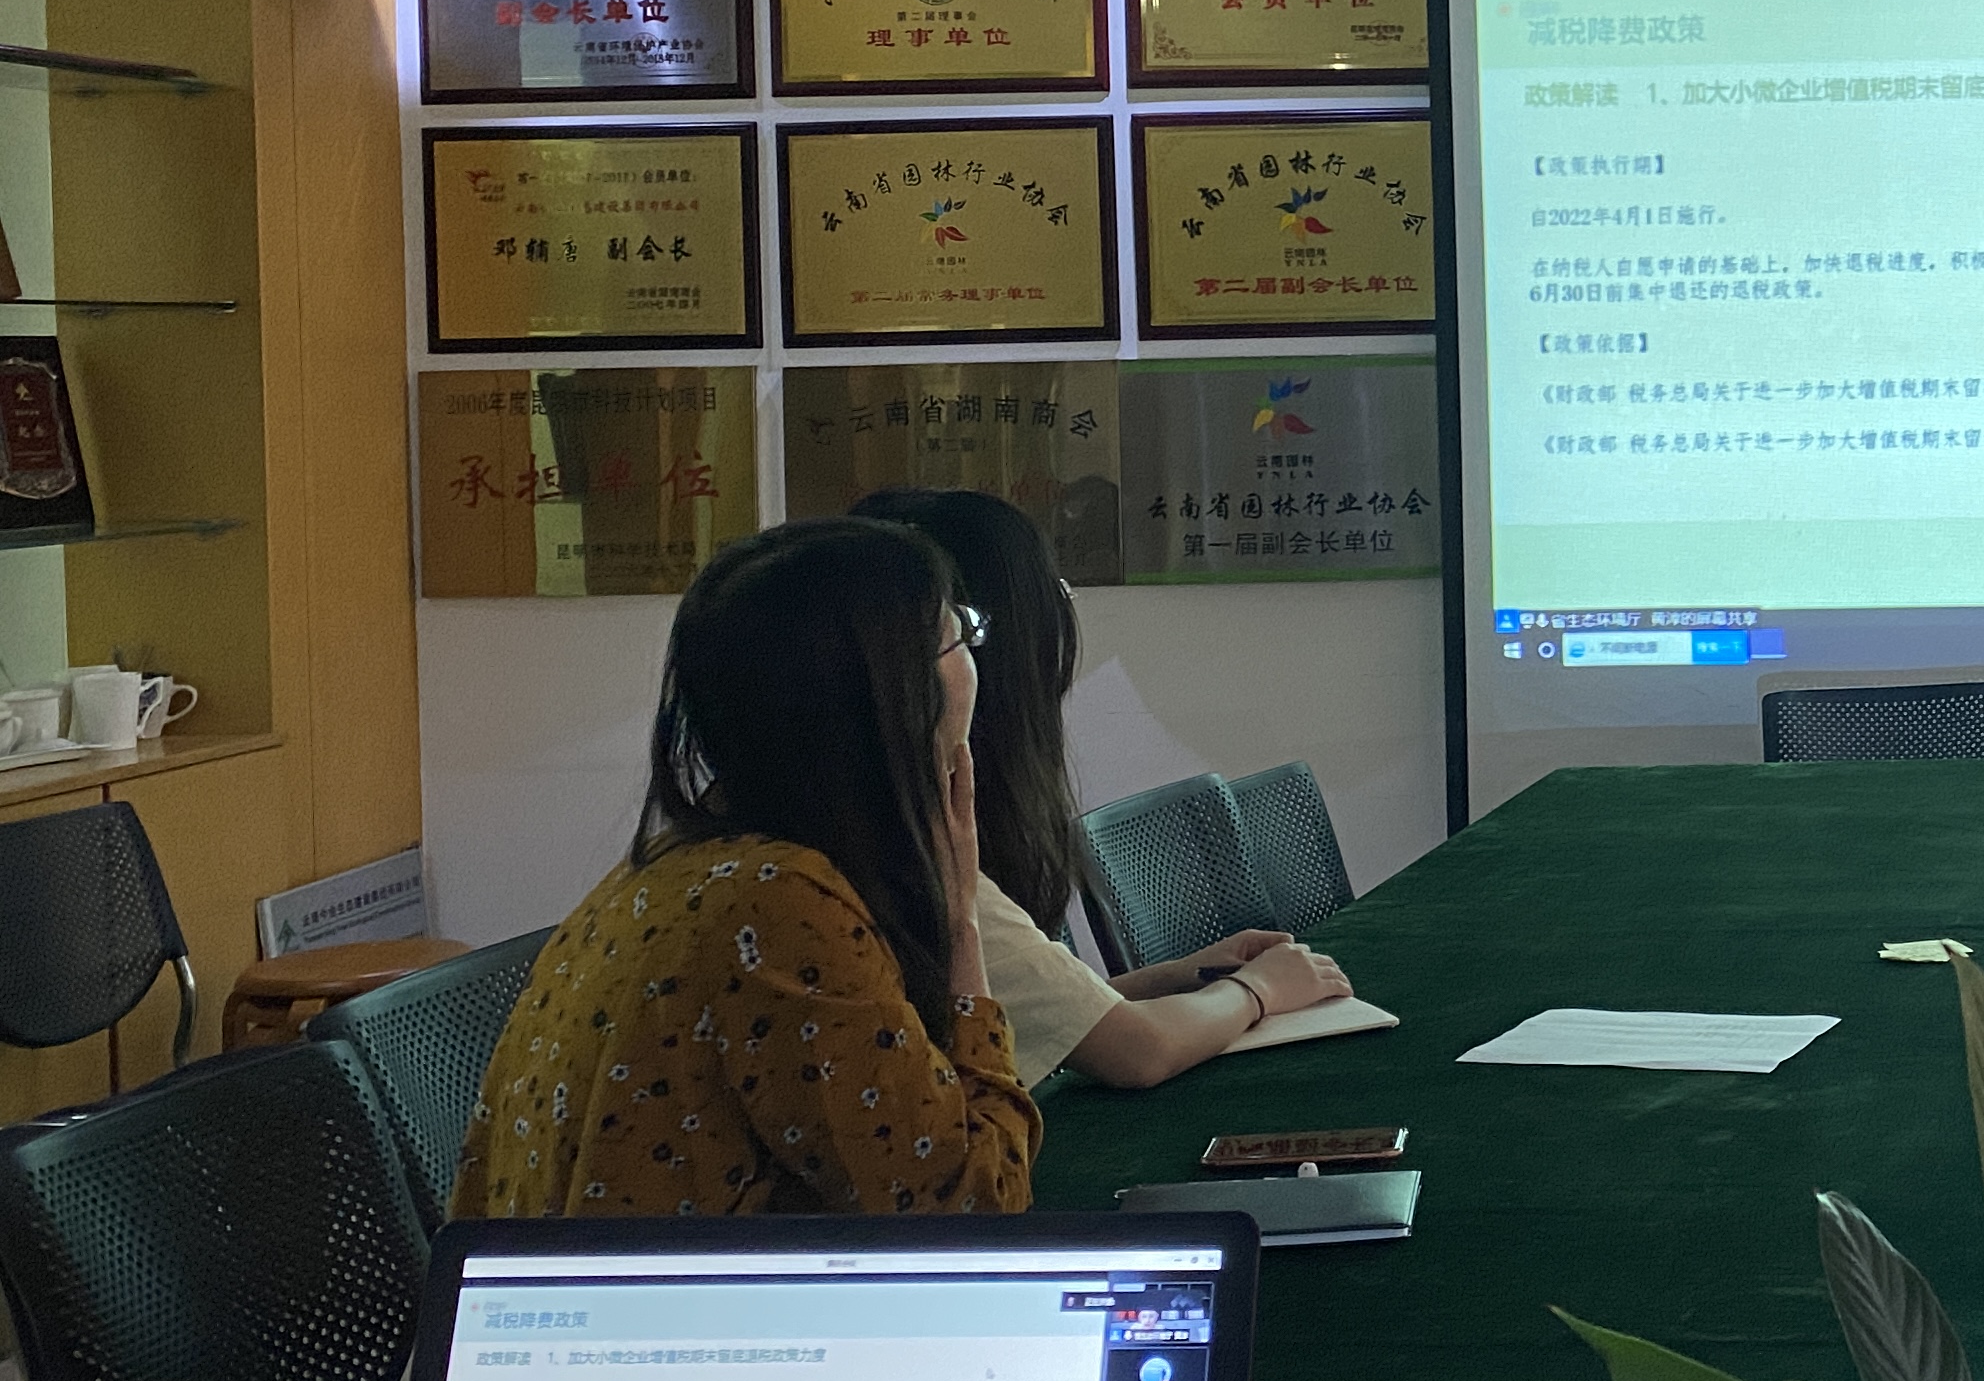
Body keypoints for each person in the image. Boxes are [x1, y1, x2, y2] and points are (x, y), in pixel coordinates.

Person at [454, 517, 1039, 1218]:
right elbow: (969, 1207)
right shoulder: (781, 908)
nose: (975, 654)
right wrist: (962, 922)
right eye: (959, 633)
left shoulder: (678, 868)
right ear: (883, 695)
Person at [849, 485, 1352, 1089]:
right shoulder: (905, 852)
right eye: (958, 634)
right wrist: (1257, 991)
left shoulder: (876, 827)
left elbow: (1039, 1010)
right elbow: (1137, 1051)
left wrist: (1175, 976)